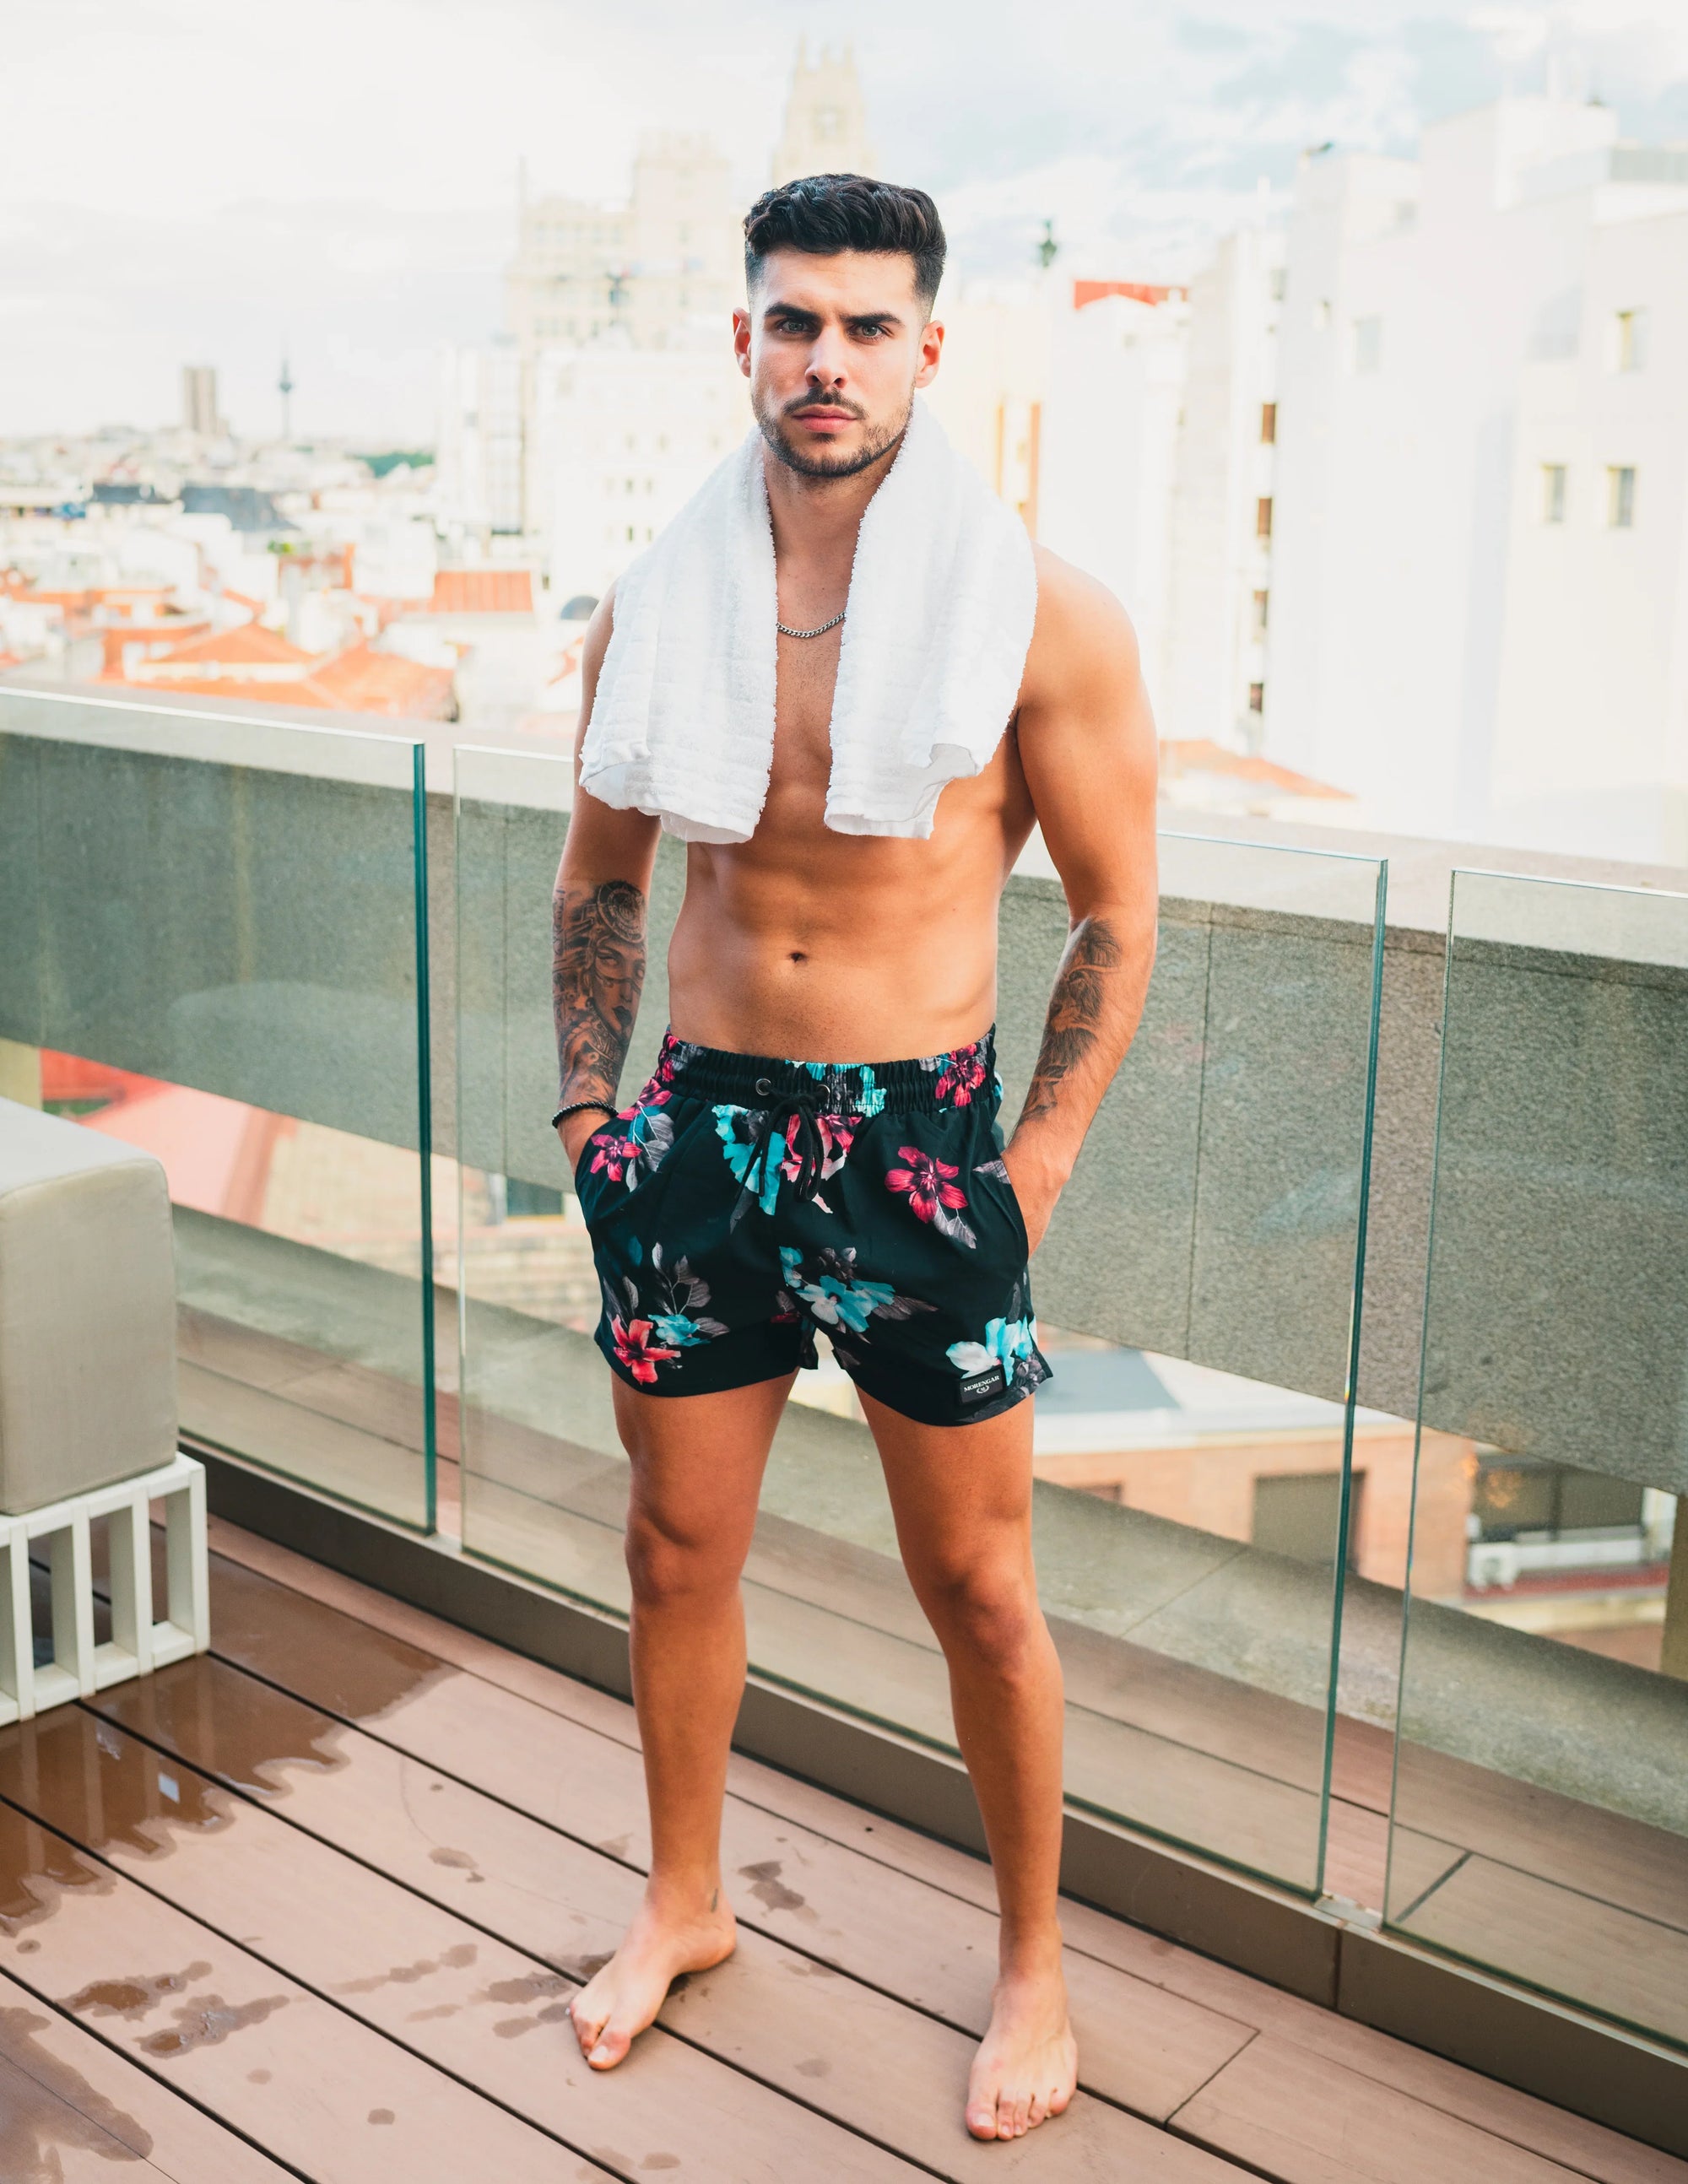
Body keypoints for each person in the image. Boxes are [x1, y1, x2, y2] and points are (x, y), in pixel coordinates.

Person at [551, 171, 1157, 2144]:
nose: (828, 358)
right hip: (698, 1132)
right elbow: (602, 878)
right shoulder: (658, 604)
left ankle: (1033, 1964)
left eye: (867, 325)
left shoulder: (1044, 614)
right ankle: (684, 1899)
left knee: (978, 1583)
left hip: (916, 1144)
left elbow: (1117, 912)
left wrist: (1031, 1167)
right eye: (795, 320)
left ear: (926, 348)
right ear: (744, 339)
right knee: (672, 1549)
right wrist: (594, 1119)